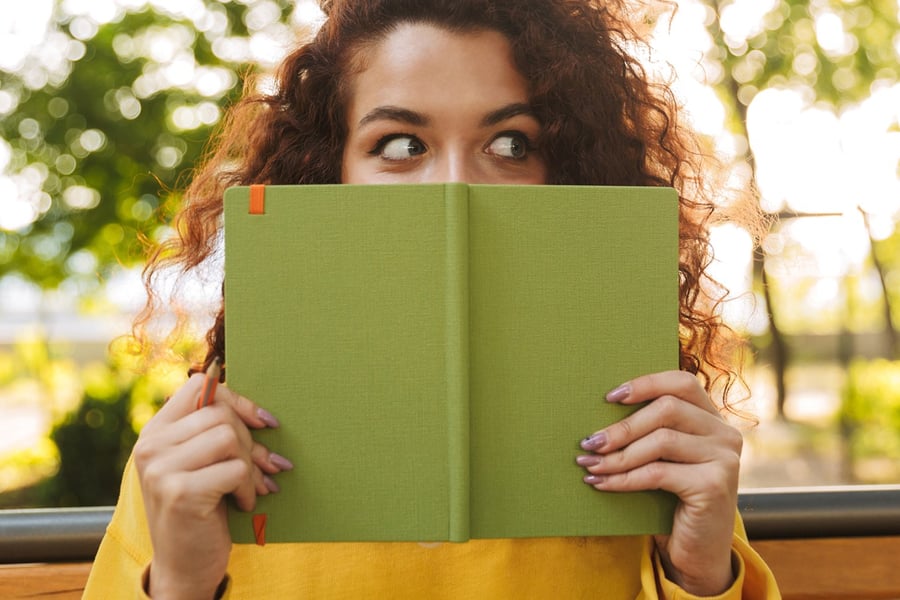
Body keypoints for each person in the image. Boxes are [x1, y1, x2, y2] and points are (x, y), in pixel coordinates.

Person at [85, 0, 780, 597]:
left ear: (569, 174)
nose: (454, 189)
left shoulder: (653, 436)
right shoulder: (199, 456)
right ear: (329, 175)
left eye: (511, 143)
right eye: (400, 144)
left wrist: (697, 574)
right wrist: (180, 584)